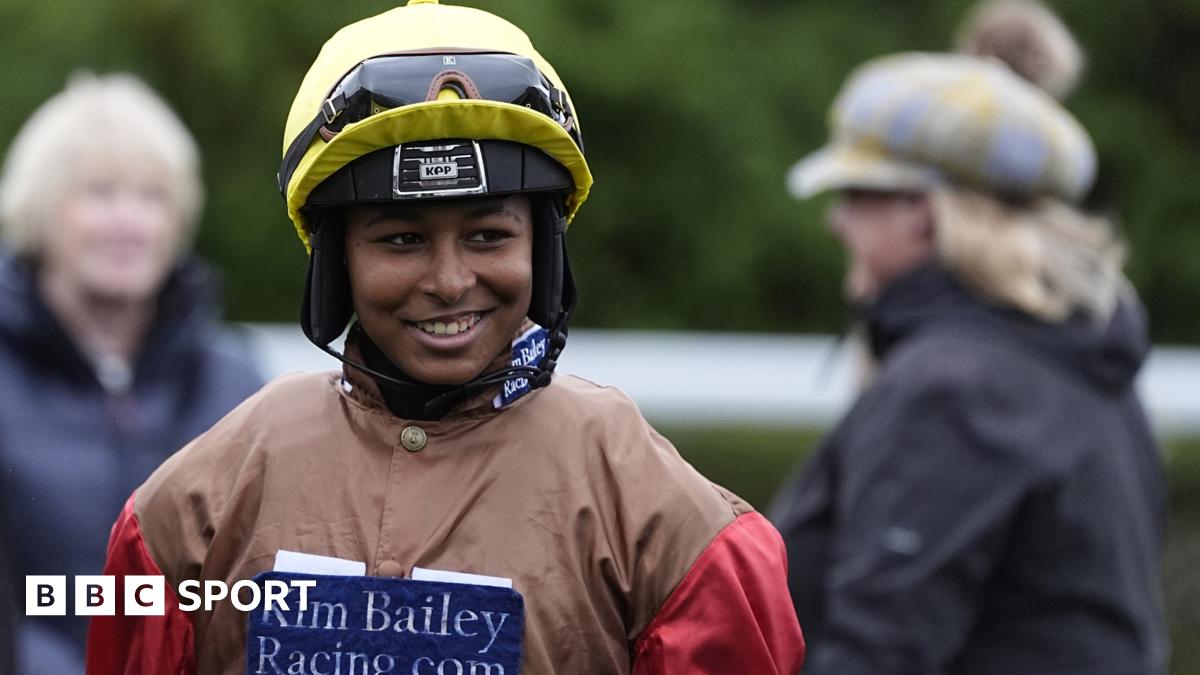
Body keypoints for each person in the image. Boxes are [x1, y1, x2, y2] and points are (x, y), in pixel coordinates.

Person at [88, 2, 806, 673]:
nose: (450, 280)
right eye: (401, 239)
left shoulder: (666, 520)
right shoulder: (191, 508)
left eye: (488, 235)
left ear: (544, 250)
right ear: (338, 260)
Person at [768, 1, 1167, 673]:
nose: (837, 222)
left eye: (857, 193)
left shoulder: (954, 388)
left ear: (923, 210)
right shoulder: (1083, 370)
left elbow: (878, 651)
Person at [0, 73, 264, 673]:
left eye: (153, 196)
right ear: (43, 208)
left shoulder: (236, 383)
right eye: (100, 194)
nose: (130, 221)